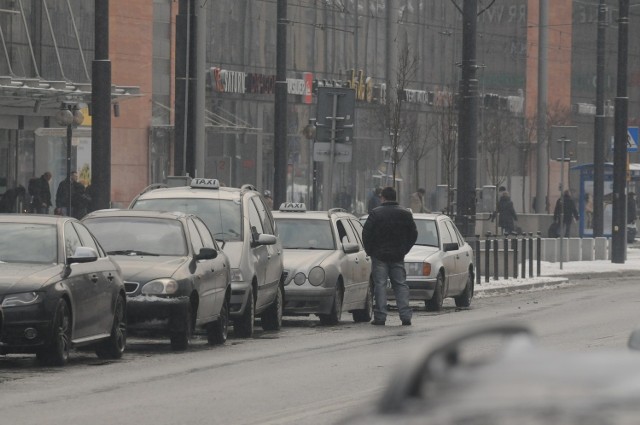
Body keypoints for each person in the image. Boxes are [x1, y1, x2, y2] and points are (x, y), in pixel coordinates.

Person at [362, 186, 418, 326]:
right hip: (397, 255)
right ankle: (405, 316)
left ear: (383, 198)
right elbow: (413, 234)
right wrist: (404, 249)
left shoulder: (376, 214)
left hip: (379, 256)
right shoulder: (405, 214)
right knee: (400, 285)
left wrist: (371, 251)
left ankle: (380, 317)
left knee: (380, 285)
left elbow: (366, 234)